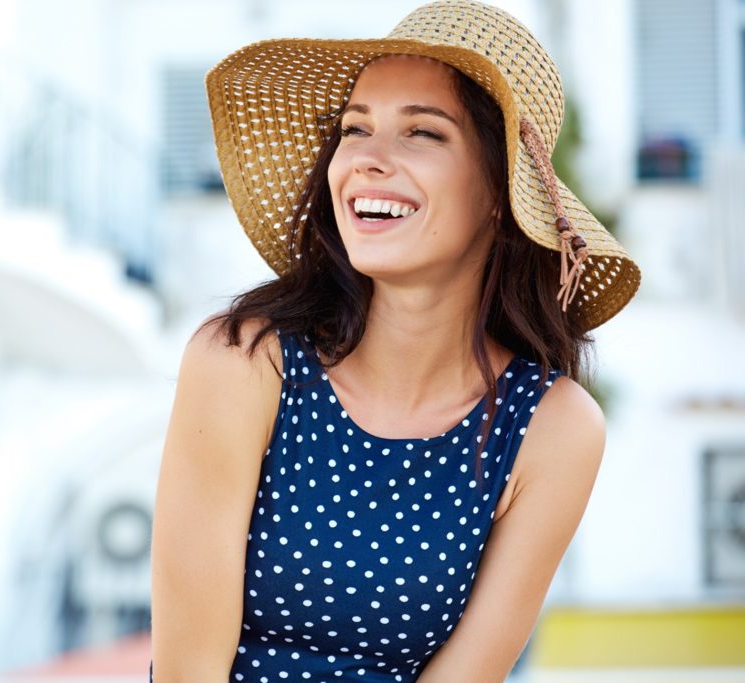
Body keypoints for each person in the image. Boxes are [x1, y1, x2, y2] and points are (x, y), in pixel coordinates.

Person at [149, 1, 641, 681]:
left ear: (501, 192)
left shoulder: (553, 427)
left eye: (422, 134)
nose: (368, 161)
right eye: (355, 129)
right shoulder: (244, 363)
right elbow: (186, 672)